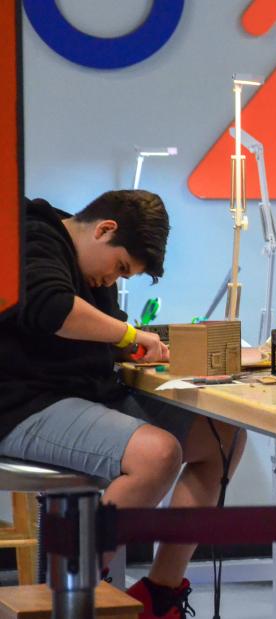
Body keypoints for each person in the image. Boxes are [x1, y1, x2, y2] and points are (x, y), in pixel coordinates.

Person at [0, 191, 247, 619]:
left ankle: (161, 593)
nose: (113, 281)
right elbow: (51, 309)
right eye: (119, 268)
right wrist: (129, 337)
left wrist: (130, 350)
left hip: (80, 397)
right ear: (104, 229)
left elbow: (89, 340)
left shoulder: (88, 268)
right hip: (23, 405)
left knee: (222, 437)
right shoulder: (32, 236)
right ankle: (77, 600)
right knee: (157, 455)